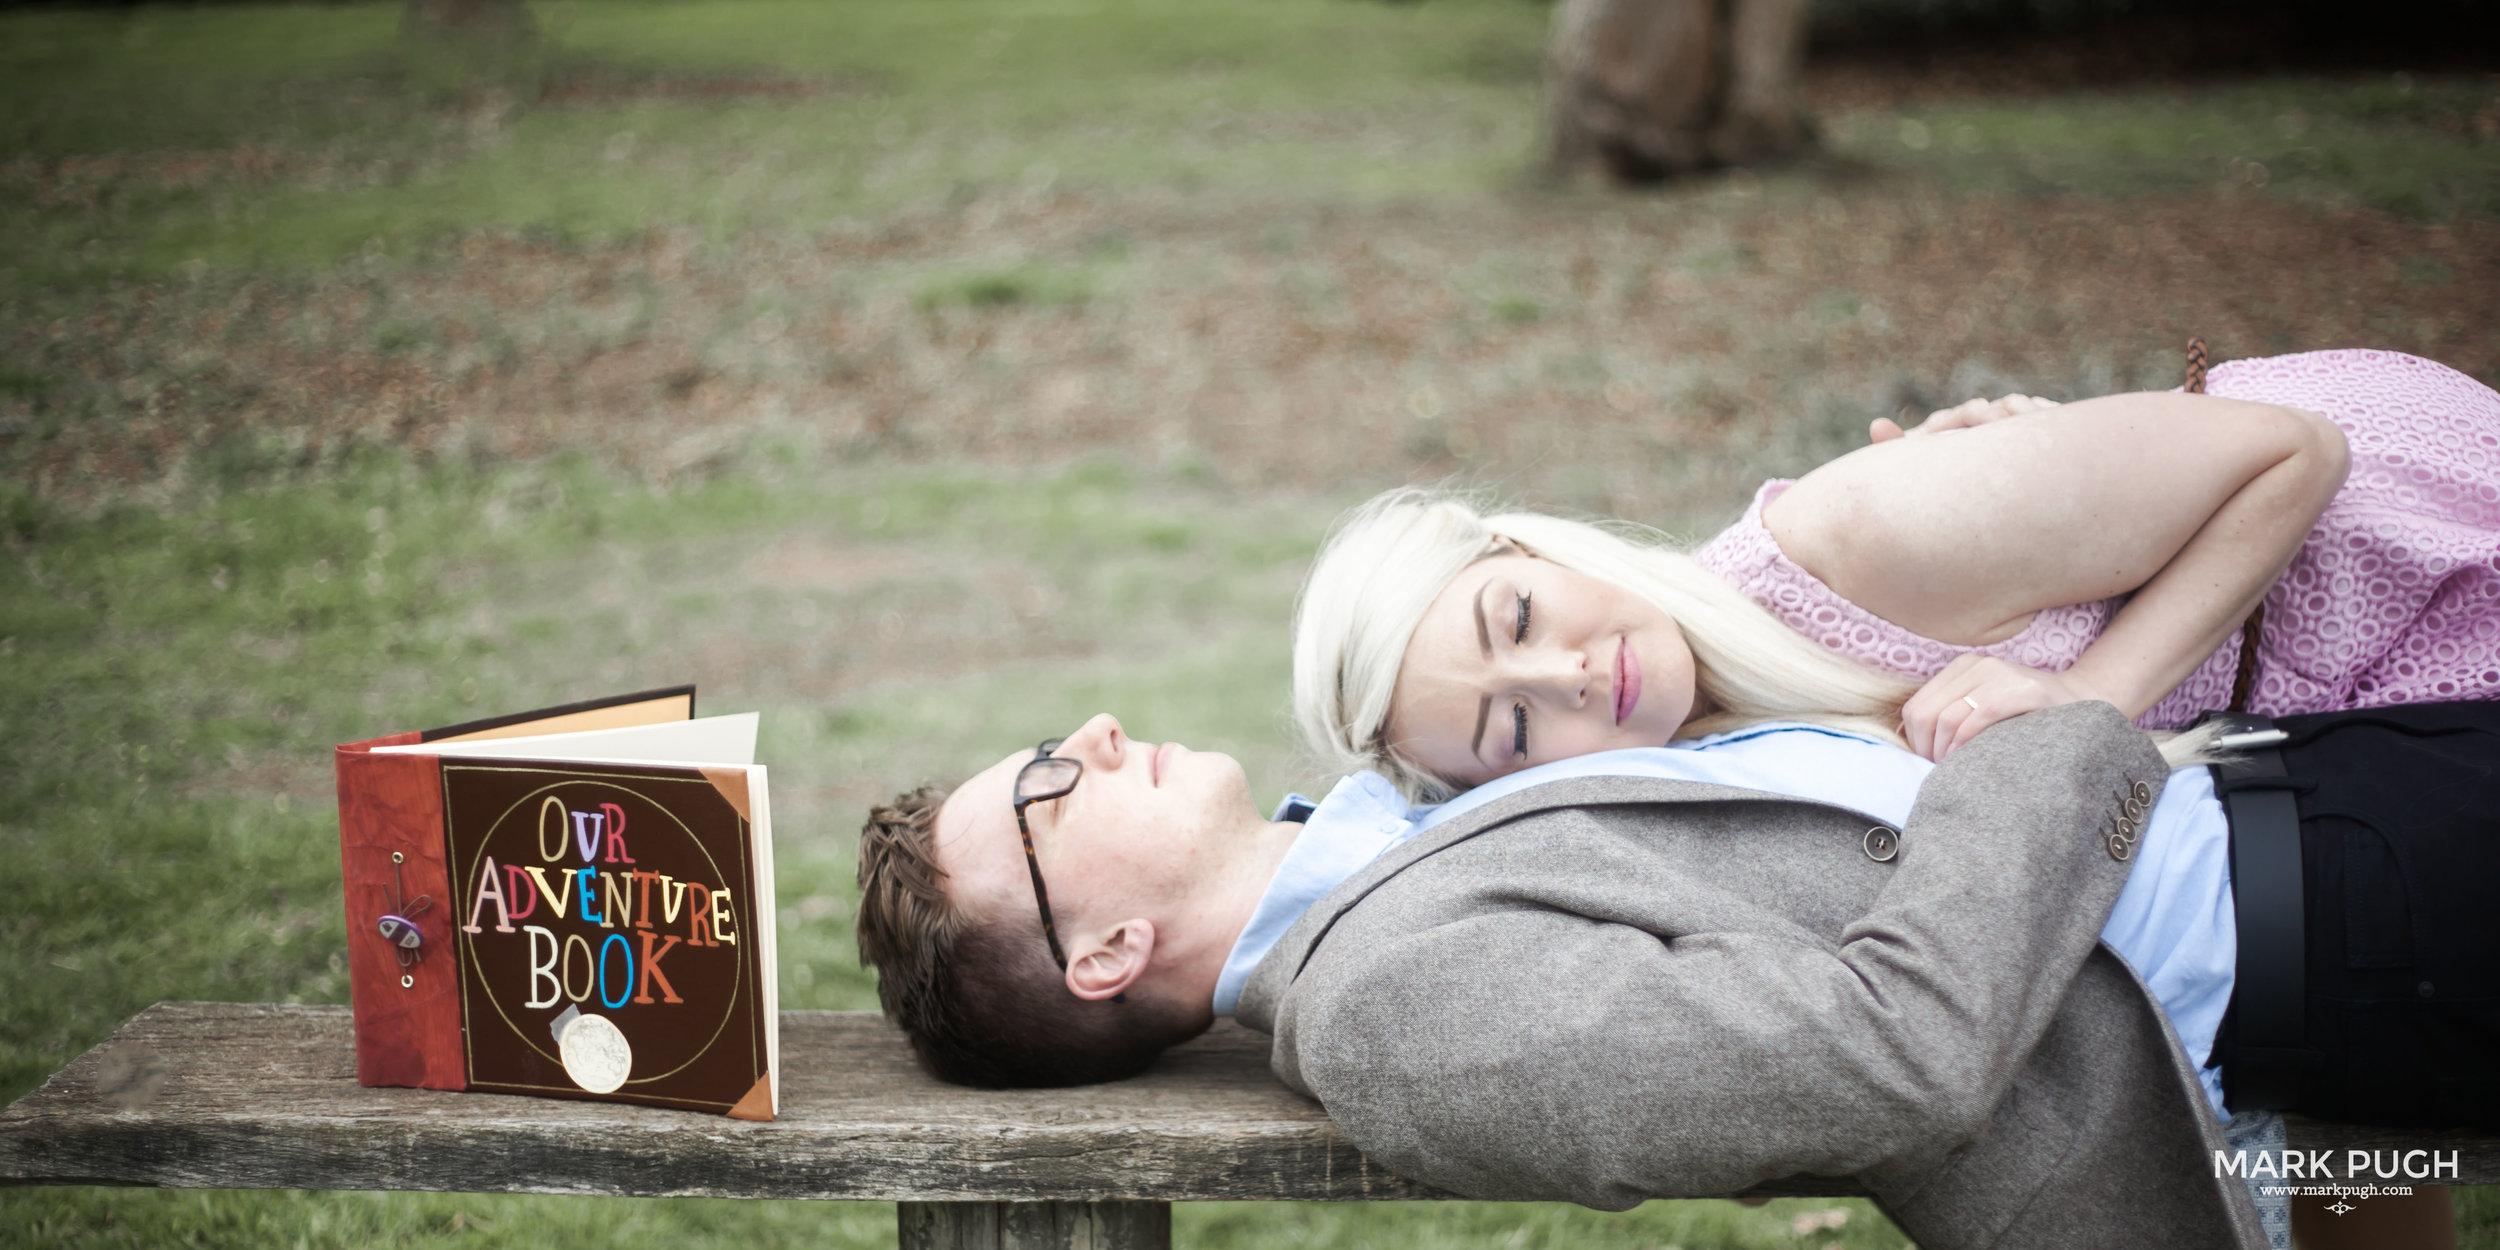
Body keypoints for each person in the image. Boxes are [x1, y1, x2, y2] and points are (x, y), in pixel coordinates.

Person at [856, 699, 2500, 1249]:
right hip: (2318, 938)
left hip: (2307, 809)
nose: (1088, 737)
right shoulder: (1398, 1017)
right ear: (1107, 954)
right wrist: (2049, 739)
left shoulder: (1388, 840)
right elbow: (1892, 1056)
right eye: (1047, 792)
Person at [1292, 348, 2500, 800]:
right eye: (1510, 726)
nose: (1569, 674)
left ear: (1531, 547)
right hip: (2337, 731)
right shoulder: (1711, 742)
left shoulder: (1858, 535)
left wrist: (2094, 691)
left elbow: (2291, 452)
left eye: (1518, 615)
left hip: (2404, 554)